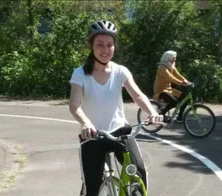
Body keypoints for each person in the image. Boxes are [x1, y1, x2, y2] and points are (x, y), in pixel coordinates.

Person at [68, 20, 164, 196]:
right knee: (92, 187)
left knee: (139, 172)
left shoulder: (120, 71)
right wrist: (85, 122)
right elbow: (74, 105)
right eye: (100, 45)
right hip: (92, 135)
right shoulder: (80, 73)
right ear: (92, 46)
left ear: (114, 47)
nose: (105, 50)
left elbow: (138, 95)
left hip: (120, 131)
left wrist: (152, 112)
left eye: (109, 45)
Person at [152, 50, 191, 123]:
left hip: (168, 89)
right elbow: (170, 78)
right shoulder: (162, 67)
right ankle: (161, 115)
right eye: (173, 58)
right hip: (161, 90)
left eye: (175, 58)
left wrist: (187, 81)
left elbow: (178, 75)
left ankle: (179, 117)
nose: (174, 60)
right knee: (174, 102)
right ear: (167, 58)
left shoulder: (171, 67)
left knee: (185, 98)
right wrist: (182, 83)